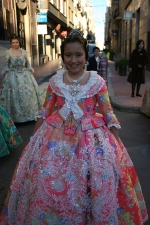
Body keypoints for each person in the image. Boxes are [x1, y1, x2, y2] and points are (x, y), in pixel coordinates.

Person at [0, 30, 148, 224]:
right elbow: (45, 111)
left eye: (78, 54)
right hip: (55, 138)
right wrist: (33, 139)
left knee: (93, 182)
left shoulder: (97, 82)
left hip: (90, 139)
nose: (73, 60)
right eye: (68, 55)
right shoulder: (55, 81)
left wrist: (117, 148)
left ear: (86, 55)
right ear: (62, 56)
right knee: (48, 181)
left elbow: (108, 113)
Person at [0, 34, 42, 123]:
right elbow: (7, 65)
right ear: (11, 43)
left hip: (25, 76)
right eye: (13, 42)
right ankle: (15, 117)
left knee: (27, 94)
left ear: (19, 42)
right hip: (13, 76)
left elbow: (27, 64)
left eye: (16, 42)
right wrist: (4, 77)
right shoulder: (8, 53)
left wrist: (31, 74)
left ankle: (29, 115)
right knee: (14, 95)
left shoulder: (24, 52)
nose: (15, 44)